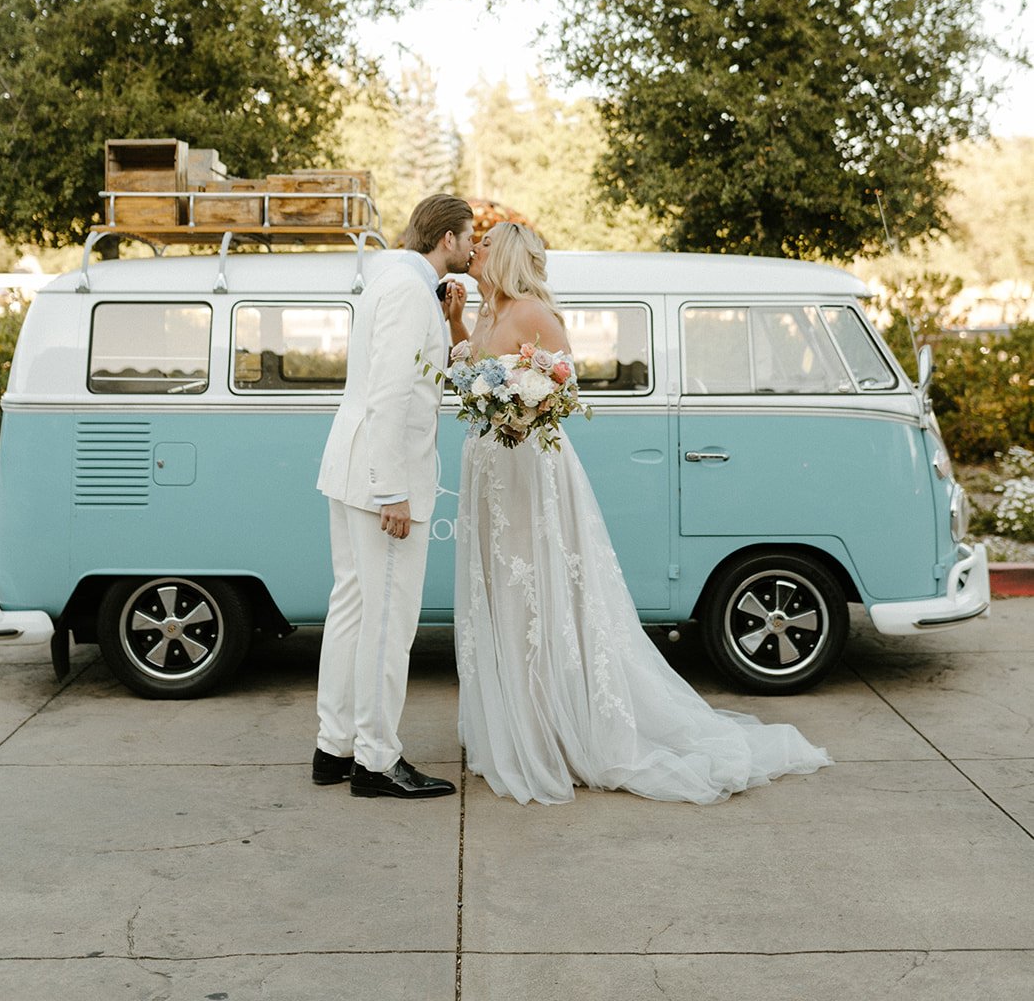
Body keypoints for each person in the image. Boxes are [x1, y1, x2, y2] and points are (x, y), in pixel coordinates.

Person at [445, 221, 832, 805]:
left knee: (536, 593)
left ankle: (552, 729)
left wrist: (519, 411)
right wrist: (456, 322)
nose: (475, 251)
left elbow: (562, 391)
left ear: (508, 258)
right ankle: (521, 725)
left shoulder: (532, 312)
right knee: (501, 592)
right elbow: (469, 370)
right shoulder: (486, 310)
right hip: (489, 468)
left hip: (527, 469)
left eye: (486, 245)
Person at [313, 193, 475, 799]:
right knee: (388, 622)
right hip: (381, 478)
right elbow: (390, 393)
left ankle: (334, 747)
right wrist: (393, 493)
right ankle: (376, 760)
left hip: (351, 468)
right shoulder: (409, 290)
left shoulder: (394, 279)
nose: (472, 244)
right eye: (468, 235)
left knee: (353, 610)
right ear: (447, 239)